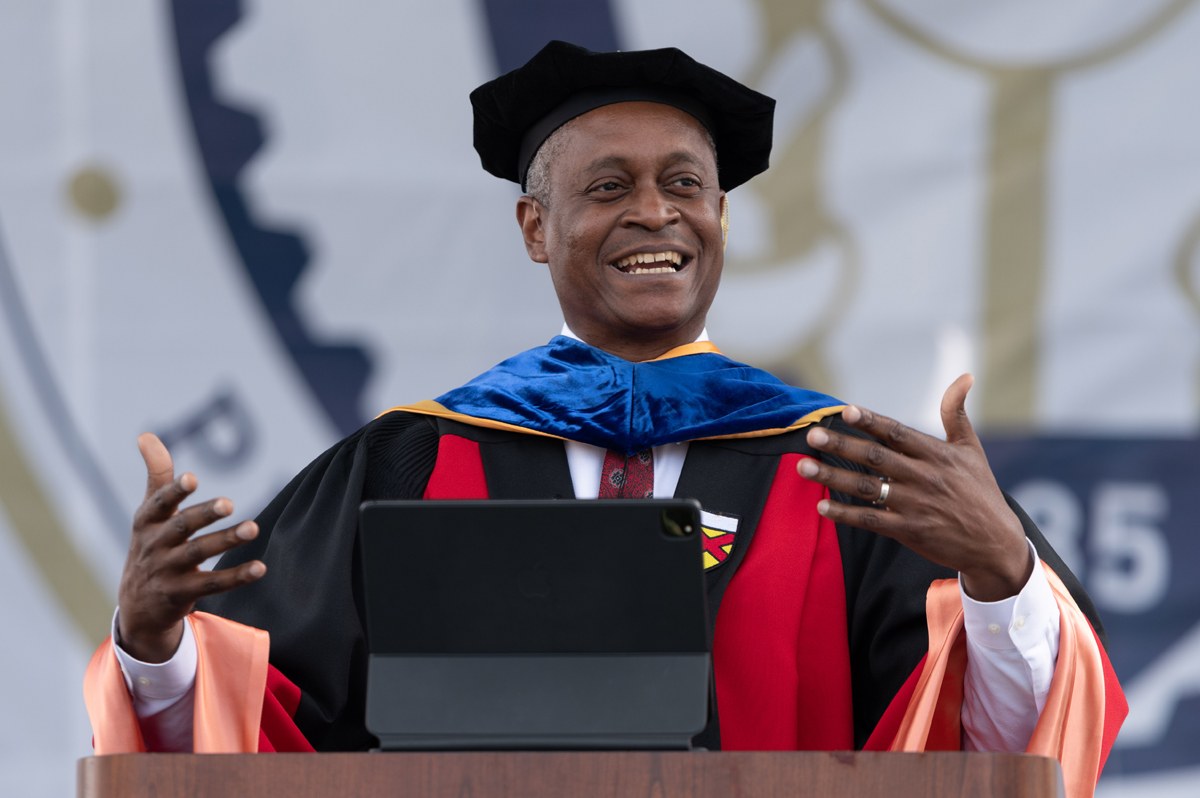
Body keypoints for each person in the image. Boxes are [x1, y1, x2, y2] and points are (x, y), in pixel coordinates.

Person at [85, 41, 1124, 796]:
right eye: (609, 187)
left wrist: (1004, 581)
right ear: (538, 227)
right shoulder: (406, 462)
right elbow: (251, 739)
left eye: (686, 184)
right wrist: (151, 644)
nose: (656, 213)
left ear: (722, 218)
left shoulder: (840, 468)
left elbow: (992, 753)